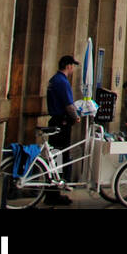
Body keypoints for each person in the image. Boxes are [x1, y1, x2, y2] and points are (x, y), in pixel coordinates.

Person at [44, 54, 80, 204]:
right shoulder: (62, 82)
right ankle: (54, 194)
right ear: (68, 66)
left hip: (55, 120)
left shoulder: (54, 80)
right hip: (61, 122)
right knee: (60, 156)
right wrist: (76, 117)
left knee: (54, 156)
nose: (73, 69)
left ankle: (51, 192)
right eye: (72, 66)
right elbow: (68, 104)